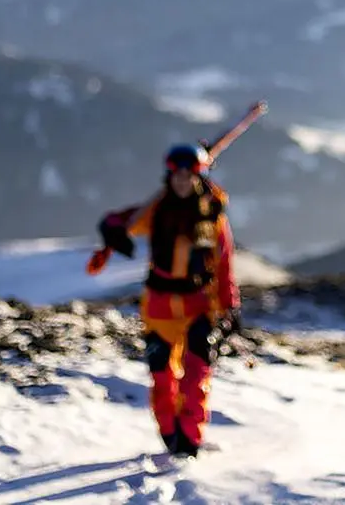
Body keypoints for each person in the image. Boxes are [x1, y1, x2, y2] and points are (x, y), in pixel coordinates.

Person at [97, 142, 242, 457]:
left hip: (199, 306)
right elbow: (118, 221)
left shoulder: (212, 217)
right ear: (169, 174)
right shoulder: (156, 211)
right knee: (162, 376)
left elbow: (224, 263)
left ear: (198, 175)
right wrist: (111, 231)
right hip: (159, 309)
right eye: (176, 174)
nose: (181, 180)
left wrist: (229, 307)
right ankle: (169, 432)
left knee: (196, 372)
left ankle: (189, 438)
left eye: (188, 174)